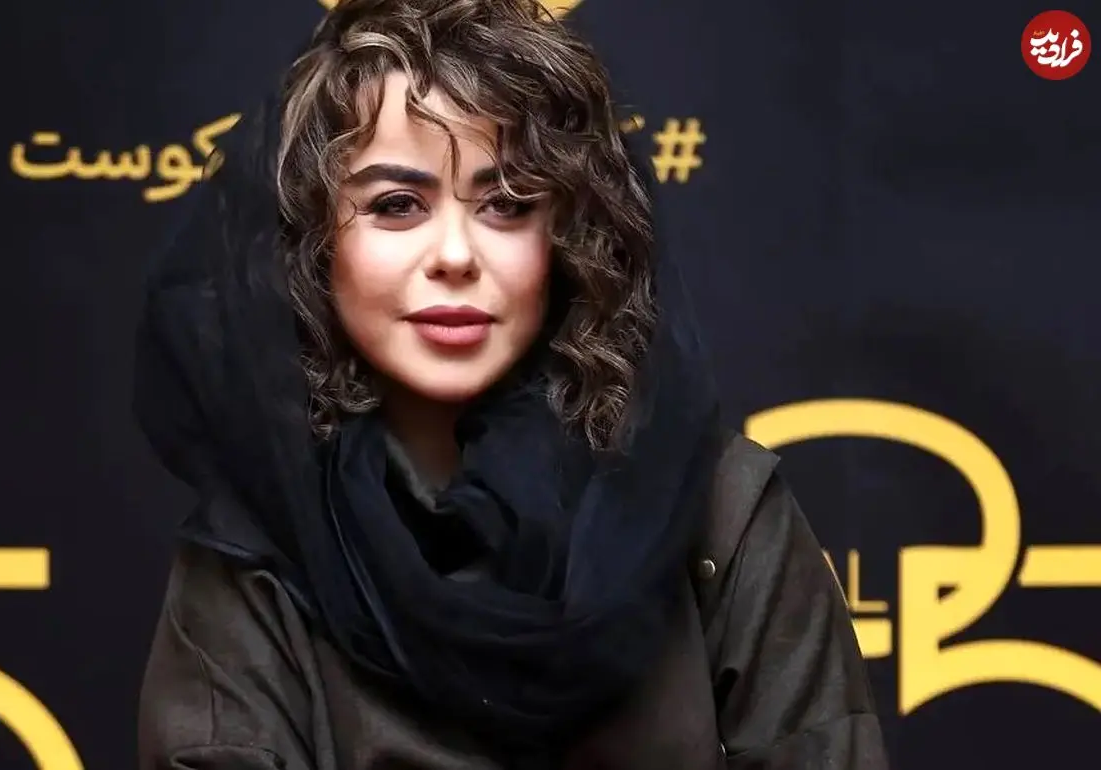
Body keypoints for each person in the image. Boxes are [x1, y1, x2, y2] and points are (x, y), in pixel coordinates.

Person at [132, 0, 888, 767]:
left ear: (573, 239)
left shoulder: (720, 508)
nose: (455, 255)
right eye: (397, 205)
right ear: (314, 246)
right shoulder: (255, 554)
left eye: (506, 204)